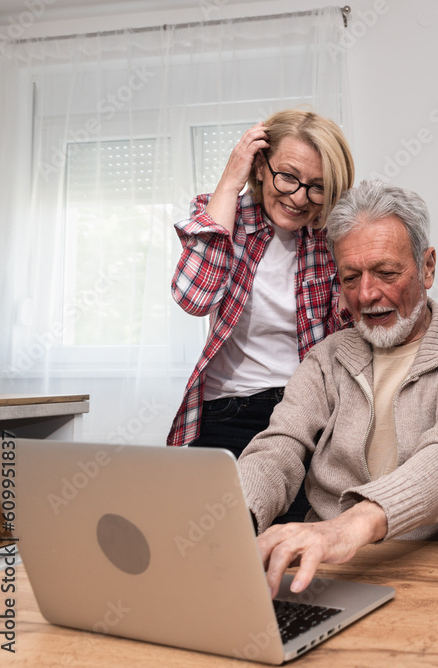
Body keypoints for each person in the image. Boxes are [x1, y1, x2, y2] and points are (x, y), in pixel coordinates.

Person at [237, 180, 438, 597]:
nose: (366, 294)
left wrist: (348, 527)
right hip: (332, 573)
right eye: (350, 277)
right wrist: (233, 519)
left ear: (428, 266)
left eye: (386, 272)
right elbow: (280, 447)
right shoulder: (326, 358)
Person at [168, 110, 354, 520]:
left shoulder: (332, 240)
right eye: (287, 176)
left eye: (318, 187)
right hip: (226, 412)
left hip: (306, 417)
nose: (300, 197)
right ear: (260, 168)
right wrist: (230, 180)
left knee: (291, 556)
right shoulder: (225, 217)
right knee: (215, 549)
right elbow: (194, 298)